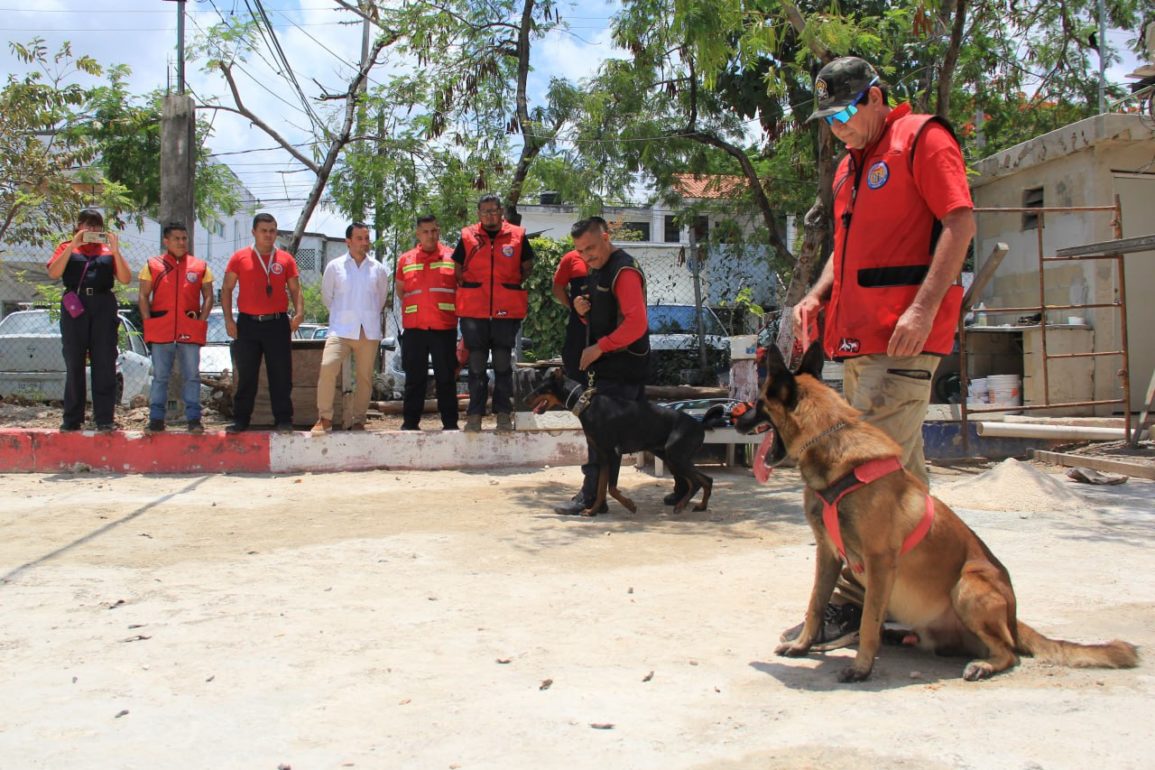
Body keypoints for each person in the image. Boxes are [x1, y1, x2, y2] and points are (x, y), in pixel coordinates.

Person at [787, 56, 976, 647]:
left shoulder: (921, 139)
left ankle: (849, 603)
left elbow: (960, 223)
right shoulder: (849, 169)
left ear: (874, 97)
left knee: (862, 480)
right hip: (857, 343)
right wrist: (817, 296)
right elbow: (844, 255)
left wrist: (922, 308)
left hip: (903, 340)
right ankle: (927, 597)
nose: (837, 126)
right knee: (906, 482)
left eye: (845, 111)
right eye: (828, 118)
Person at [552, 217, 651, 516]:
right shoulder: (598, 269)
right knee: (605, 434)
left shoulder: (624, 271)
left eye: (591, 248)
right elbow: (604, 317)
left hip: (623, 366)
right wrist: (582, 311)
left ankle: (591, 497)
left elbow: (637, 323)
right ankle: (597, 496)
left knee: (602, 434)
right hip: (608, 365)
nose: (587, 256)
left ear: (606, 237)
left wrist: (599, 348)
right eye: (580, 251)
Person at [451, 193, 535, 433]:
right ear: (478, 214)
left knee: (502, 365)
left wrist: (507, 285)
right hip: (474, 311)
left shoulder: (518, 235)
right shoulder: (467, 236)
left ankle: (503, 415)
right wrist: (474, 288)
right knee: (476, 367)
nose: (490, 215)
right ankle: (475, 415)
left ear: (501, 212)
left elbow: (527, 266)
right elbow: (458, 269)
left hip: (505, 311)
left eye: (494, 210)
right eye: (485, 211)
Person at [46, 208, 132, 432]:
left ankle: (104, 418)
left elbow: (124, 278)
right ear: (78, 227)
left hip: (103, 305)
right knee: (74, 362)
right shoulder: (66, 247)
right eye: (87, 225)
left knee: (104, 362)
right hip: (75, 304)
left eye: (96, 226)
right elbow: (54, 273)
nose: (92, 230)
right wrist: (73, 245)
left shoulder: (107, 250)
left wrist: (116, 251)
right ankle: (72, 418)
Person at [221, 213, 305, 433]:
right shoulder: (239, 257)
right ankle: (241, 420)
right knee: (247, 374)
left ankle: (284, 420)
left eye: (272, 231)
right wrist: (229, 319)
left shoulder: (285, 259)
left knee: (281, 374)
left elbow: (296, 289)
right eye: (264, 231)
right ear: (254, 232)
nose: (268, 235)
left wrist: (299, 313)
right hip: (247, 324)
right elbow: (227, 288)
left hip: (277, 323)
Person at [309, 222, 391, 435]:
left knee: (364, 378)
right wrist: (345, 316)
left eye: (367, 238)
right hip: (340, 330)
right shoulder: (334, 267)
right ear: (348, 241)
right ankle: (325, 418)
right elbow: (328, 298)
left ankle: (359, 420)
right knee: (328, 367)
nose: (365, 243)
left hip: (368, 331)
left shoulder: (379, 269)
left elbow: (380, 299)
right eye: (359, 238)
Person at [138, 221, 214, 434]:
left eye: (184, 238)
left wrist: (200, 320)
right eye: (176, 239)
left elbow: (208, 296)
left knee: (192, 375)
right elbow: (143, 296)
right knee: (160, 376)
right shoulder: (152, 265)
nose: (181, 242)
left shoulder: (200, 266)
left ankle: (194, 419)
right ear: (166, 241)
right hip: (161, 329)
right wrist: (148, 322)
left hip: (189, 329)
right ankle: (155, 419)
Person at [395, 215, 459, 431]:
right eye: (425, 231)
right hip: (415, 329)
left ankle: (450, 424)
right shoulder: (405, 260)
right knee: (414, 379)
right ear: (418, 234)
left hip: (444, 328)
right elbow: (401, 291)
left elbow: (460, 289)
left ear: (438, 231)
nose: (430, 235)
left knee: (446, 378)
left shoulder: (452, 256)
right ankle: (410, 424)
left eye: (434, 231)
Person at [551, 248, 590, 386]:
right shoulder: (571, 258)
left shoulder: (610, 257)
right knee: (573, 359)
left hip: (606, 320)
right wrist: (574, 307)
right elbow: (557, 288)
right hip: (578, 320)